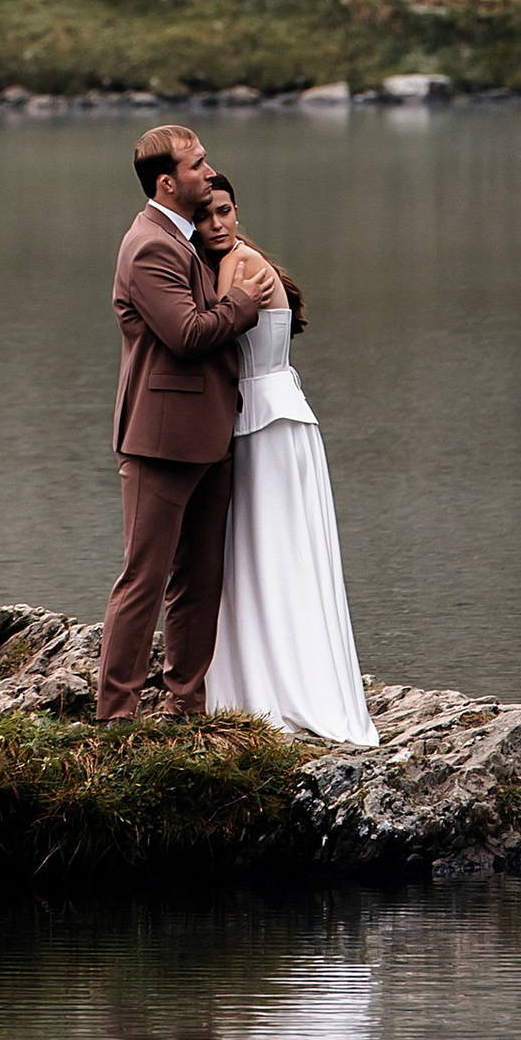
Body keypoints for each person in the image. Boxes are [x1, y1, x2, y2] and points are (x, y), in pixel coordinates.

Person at [96, 123, 271, 724]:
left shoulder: (190, 238)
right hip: (161, 441)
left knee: (200, 581)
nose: (208, 171)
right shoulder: (149, 245)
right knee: (143, 581)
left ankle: (185, 708)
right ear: (168, 182)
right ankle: (115, 716)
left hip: (211, 433)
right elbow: (188, 334)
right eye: (198, 165)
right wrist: (244, 304)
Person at [200, 175, 377, 747]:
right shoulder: (245, 259)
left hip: (264, 423)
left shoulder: (235, 264)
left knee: (265, 548)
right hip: (281, 418)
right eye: (205, 218)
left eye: (224, 212)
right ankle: (288, 671)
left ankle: (273, 684)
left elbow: (205, 338)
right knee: (276, 548)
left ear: (236, 211)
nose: (217, 225)